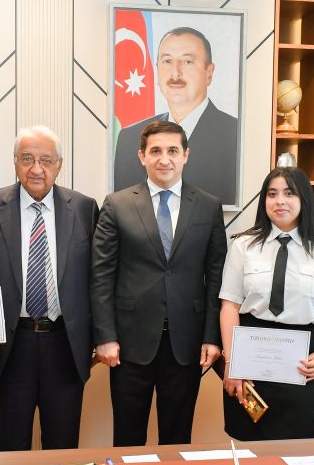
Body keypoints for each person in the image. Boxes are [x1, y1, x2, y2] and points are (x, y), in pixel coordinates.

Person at [92, 119, 227, 446]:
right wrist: (105, 336)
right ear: (142, 156)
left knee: (177, 438)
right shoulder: (117, 204)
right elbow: (101, 275)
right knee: (128, 437)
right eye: (155, 151)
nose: (164, 159)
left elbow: (216, 277)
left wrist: (212, 337)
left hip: (186, 343)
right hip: (129, 343)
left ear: (186, 155)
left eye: (172, 151)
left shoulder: (208, 206)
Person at [0, 126, 99, 451]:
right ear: (15, 162)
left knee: (62, 445)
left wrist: (100, 337)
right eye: (27, 158)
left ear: (59, 165)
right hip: (10, 344)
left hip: (65, 344)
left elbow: (97, 279)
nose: (36, 169)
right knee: (9, 446)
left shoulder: (84, 208)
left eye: (46, 160)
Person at [220, 167, 314, 440]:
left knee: (296, 447)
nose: (280, 201)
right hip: (251, 359)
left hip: (300, 362)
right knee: (248, 443)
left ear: (304, 200)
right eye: (272, 194)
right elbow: (229, 306)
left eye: (289, 194)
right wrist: (232, 362)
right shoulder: (243, 246)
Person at [113, 27, 239, 205]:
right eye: (167, 61)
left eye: (187, 61)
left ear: (209, 72)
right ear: (157, 70)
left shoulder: (235, 134)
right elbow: (123, 208)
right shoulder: (129, 138)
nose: (175, 73)